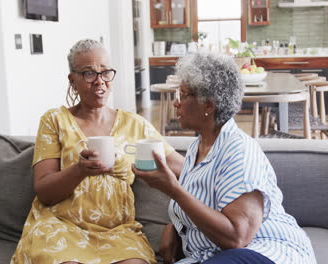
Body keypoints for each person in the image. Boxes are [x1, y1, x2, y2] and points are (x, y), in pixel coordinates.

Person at [132, 52, 317, 264]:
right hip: (214, 256)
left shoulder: (239, 150)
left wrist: (174, 190)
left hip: (262, 252)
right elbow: (202, 204)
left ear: (208, 105)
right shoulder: (197, 148)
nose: (176, 103)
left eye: (183, 94)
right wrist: (174, 225)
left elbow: (237, 237)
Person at [10, 39, 184, 264]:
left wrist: (179, 222)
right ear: (73, 80)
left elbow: (185, 169)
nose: (99, 81)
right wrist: (79, 171)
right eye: (88, 73)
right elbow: (44, 191)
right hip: (62, 226)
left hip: (118, 231)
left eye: (105, 72)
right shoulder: (55, 121)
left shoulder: (136, 125)